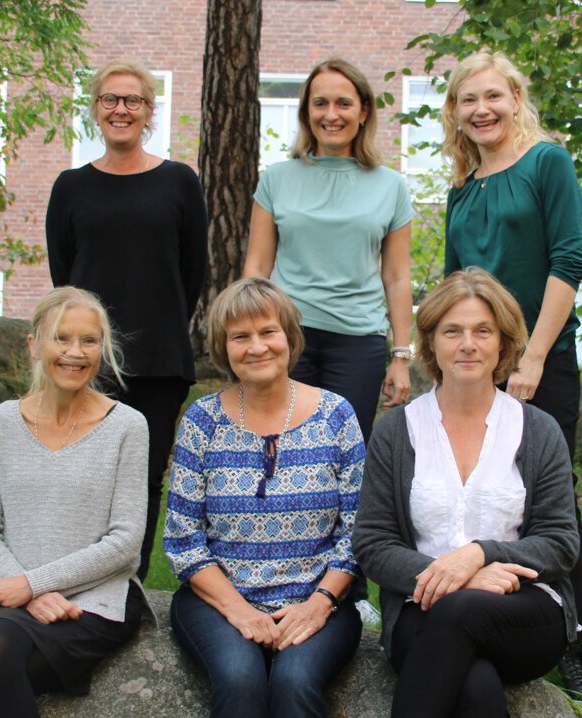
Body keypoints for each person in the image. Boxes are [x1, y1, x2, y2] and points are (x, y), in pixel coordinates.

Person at [440, 51, 582, 704]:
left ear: (514, 97)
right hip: (475, 364)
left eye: (491, 97)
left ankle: (571, 638)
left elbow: (569, 257)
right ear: (455, 112)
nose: (480, 110)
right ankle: (489, 614)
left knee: (549, 498)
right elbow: (457, 286)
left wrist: (533, 356)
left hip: (540, 357)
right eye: (466, 100)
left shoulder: (547, 162)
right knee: (482, 491)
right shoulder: (463, 188)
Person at [352, 268, 580, 718]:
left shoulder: (538, 430)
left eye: (483, 331)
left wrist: (480, 555)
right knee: (475, 687)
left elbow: (560, 543)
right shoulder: (397, 431)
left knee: (459, 616)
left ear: (503, 342)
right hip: (422, 606)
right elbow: (373, 544)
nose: (468, 344)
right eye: (452, 331)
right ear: (431, 342)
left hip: (524, 612)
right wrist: (454, 577)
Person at [243, 57, 414, 622]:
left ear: (363, 112)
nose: (331, 113)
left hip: (358, 343)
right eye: (320, 102)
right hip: (283, 341)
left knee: (347, 471)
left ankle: (348, 590)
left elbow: (396, 276)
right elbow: (257, 268)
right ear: (306, 112)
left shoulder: (390, 187)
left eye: (343, 103)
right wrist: (248, 342)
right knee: (279, 459)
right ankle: (272, 578)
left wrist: (401, 354)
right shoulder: (277, 178)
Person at [164, 277, 364, 718]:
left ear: (290, 337)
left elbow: (357, 532)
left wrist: (319, 603)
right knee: (239, 677)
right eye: (240, 337)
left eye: (268, 332)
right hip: (217, 601)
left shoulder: (337, 415)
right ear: (224, 347)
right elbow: (182, 540)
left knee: (295, 682)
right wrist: (238, 610)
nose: (257, 347)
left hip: (318, 598)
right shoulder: (203, 421)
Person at [46, 57, 208, 582]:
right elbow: (63, 279)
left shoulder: (180, 181)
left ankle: (128, 582)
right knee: (83, 474)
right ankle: (76, 577)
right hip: (85, 359)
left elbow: (193, 272)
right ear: (96, 110)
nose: (121, 109)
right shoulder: (70, 187)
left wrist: (159, 326)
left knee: (143, 477)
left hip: (159, 360)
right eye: (110, 100)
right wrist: (81, 343)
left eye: (132, 100)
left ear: (149, 111)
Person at [0, 286, 150, 718]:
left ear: (103, 348)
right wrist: (26, 589)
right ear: (34, 345)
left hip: (99, 601)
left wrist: (31, 586)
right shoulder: (1, 423)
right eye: (61, 338)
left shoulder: (128, 426)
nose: (75, 353)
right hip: (19, 601)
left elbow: (125, 541)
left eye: (89, 340)